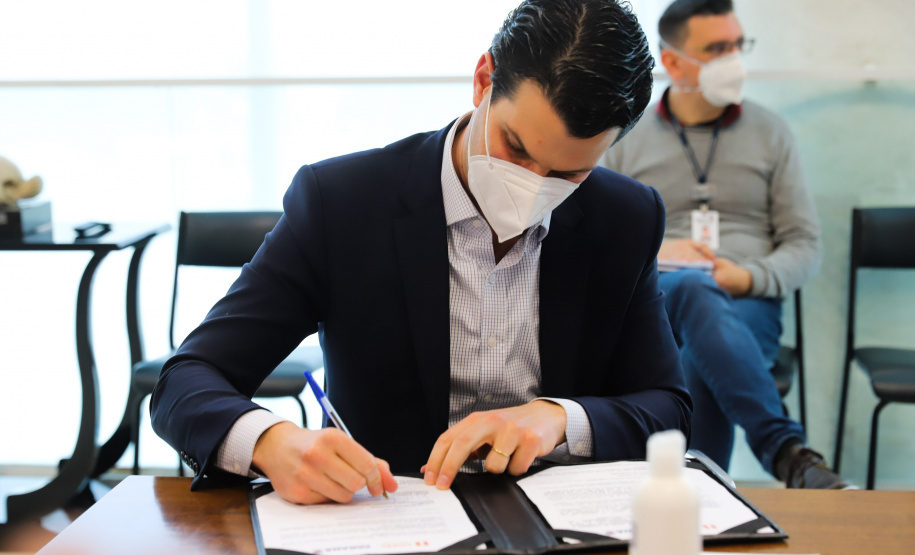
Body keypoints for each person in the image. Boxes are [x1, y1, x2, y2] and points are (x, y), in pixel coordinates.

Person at [151, 0, 692, 506]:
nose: (531, 186)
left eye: (568, 174)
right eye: (516, 149)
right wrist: (269, 439)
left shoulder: (625, 217)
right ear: (484, 80)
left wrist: (558, 418)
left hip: (558, 518)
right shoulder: (343, 203)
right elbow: (186, 379)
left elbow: (667, 408)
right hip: (387, 514)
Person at [603, 0, 851, 488]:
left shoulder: (771, 132)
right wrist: (656, 254)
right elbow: (597, 243)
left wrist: (748, 277)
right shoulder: (625, 138)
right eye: (717, 48)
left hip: (747, 301)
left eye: (738, 45)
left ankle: (696, 494)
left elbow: (804, 244)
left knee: (699, 359)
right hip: (658, 300)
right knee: (693, 290)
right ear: (671, 61)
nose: (733, 59)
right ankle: (787, 453)